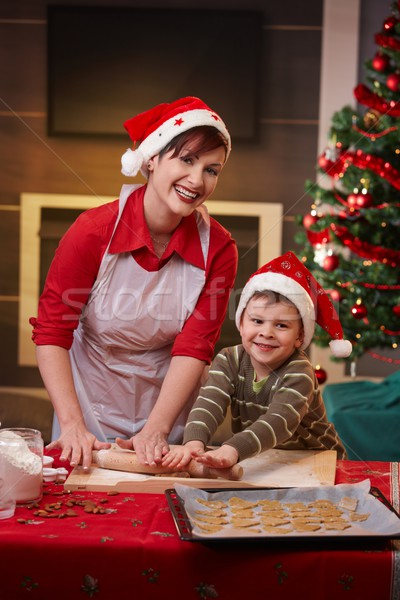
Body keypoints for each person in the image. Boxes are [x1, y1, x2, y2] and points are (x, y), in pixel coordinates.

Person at [30, 96, 238, 469]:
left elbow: (195, 346)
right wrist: (73, 423)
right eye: (187, 159)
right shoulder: (92, 231)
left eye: (212, 169)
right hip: (88, 399)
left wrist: (157, 428)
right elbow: (51, 332)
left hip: (168, 404)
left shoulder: (220, 249)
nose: (197, 180)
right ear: (152, 158)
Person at [162, 251, 352, 470]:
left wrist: (232, 449)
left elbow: (279, 421)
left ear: (299, 337)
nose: (267, 332)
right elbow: (209, 402)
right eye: (257, 321)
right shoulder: (228, 359)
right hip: (265, 459)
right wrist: (194, 443)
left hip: (317, 461)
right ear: (242, 324)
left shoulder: (300, 372)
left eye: (281, 325)